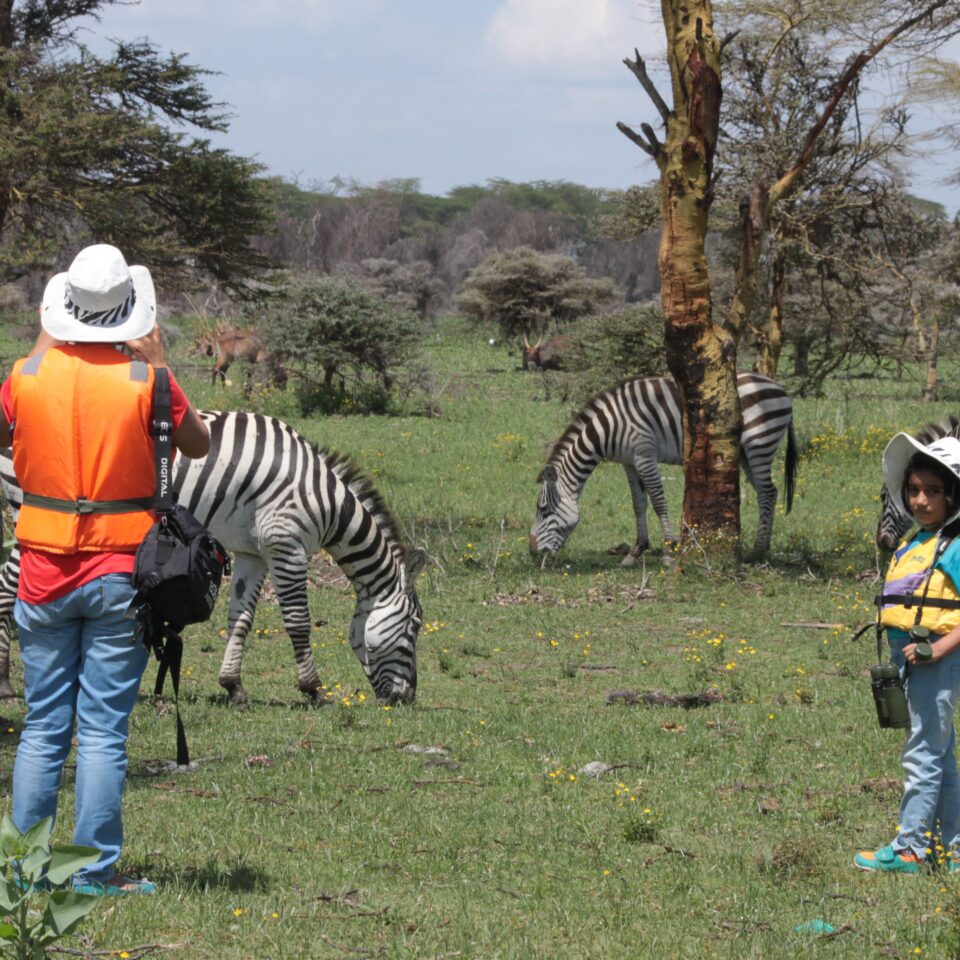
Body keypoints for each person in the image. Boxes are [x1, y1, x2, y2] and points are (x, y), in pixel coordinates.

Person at [0, 244, 209, 896]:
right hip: (122, 571)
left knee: (43, 726)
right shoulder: (148, 383)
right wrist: (163, 365)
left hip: (42, 568)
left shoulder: (25, 376)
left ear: (60, 310)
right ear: (130, 313)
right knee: (101, 732)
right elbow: (198, 443)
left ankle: (23, 873)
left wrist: (43, 346)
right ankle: (91, 874)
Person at [856, 433, 960, 874]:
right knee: (939, 755)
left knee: (922, 754)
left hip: (935, 660)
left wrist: (938, 648)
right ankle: (953, 851)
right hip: (913, 658)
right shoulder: (921, 539)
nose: (920, 500)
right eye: (914, 490)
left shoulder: (955, 545)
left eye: (933, 491)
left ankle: (911, 849)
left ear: (952, 495)